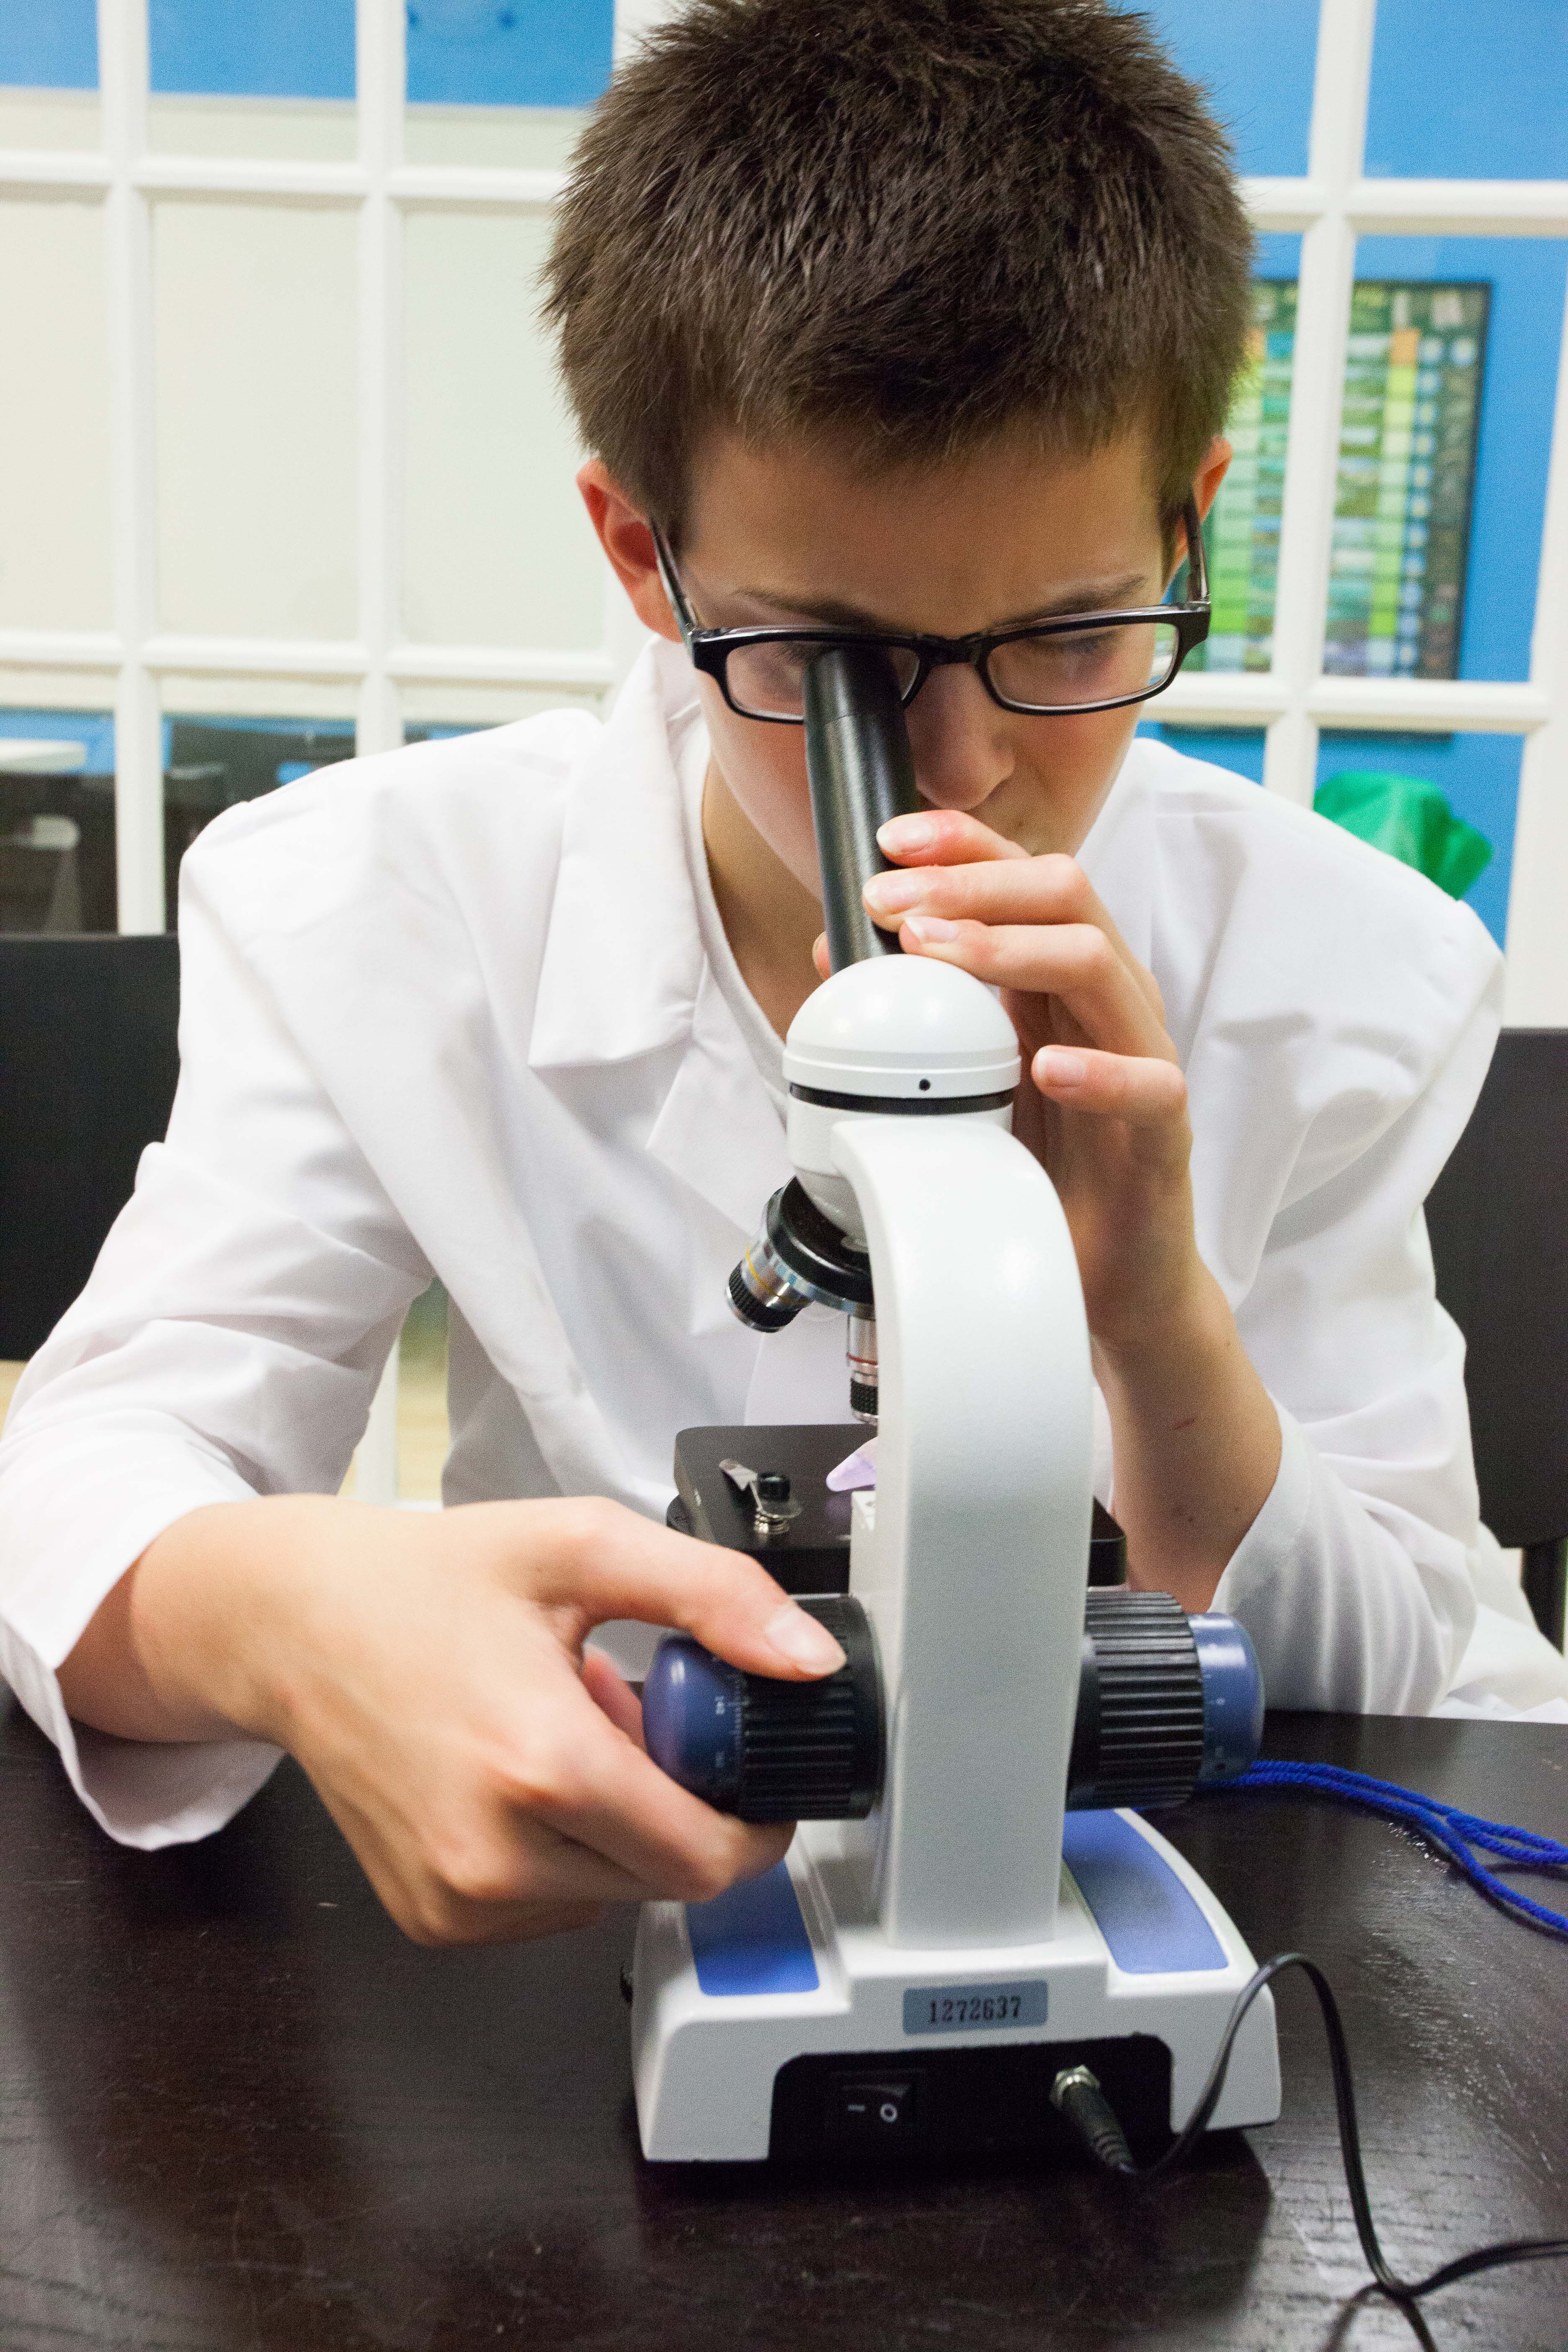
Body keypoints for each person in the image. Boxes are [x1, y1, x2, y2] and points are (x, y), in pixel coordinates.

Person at [1, 0, 1562, 1950]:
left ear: (1192, 518)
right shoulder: (371, 911)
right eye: (828, 663)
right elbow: (92, 1458)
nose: (968, 772)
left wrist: (1161, 1328)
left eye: (1074, 634)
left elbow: (1438, 1694)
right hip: (577, 1960)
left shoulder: (1345, 974)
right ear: (644, 557)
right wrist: (300, 1613)